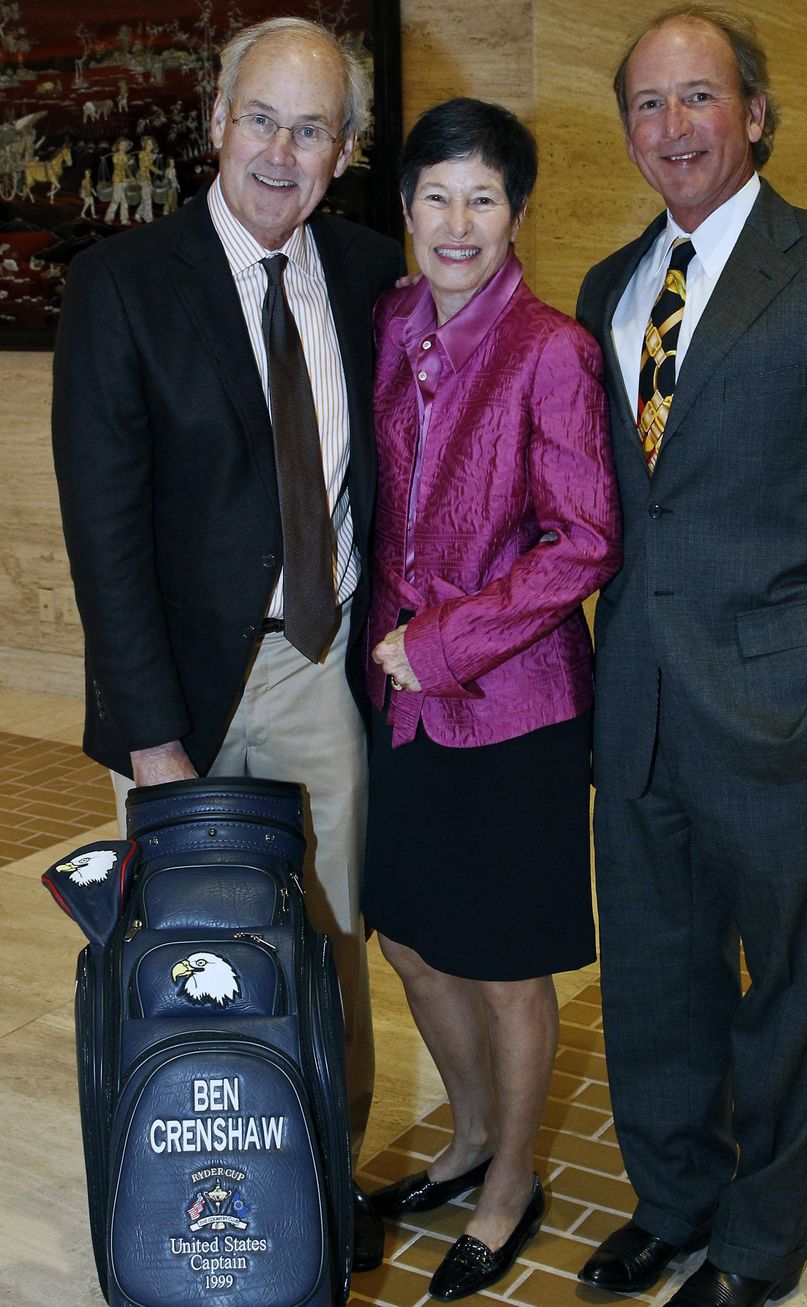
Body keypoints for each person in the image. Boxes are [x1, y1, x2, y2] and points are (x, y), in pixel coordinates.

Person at [575, 7, 807, 1306]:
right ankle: (673, 1198)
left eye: (698, 96)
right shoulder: (607, 288)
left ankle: (756, 1243)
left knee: (789, 991)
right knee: (653, 979)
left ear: (755, 110)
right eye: (647, 103)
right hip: (637, 711)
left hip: (789, 713)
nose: (672, 125)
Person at [51, 16, 405, 1272]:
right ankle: (184, 1194)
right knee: (185, 953)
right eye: (260, 119)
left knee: (329, 945)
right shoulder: (121, 285)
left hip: (318, 667)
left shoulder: (369, 274)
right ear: (214, 122)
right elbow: (104, 536)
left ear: (344, 150)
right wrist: (152, 742)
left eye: (310, 130)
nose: (279, 152)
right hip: (181, 694)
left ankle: (319, 1185)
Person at [363, 97, 621, 1301]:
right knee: (410, 937)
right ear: (405, 207)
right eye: (436, 195)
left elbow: (585, 539)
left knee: (508, 964)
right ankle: (468, 1134)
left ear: (516, 214)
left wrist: (445, 640)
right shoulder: (389, 321)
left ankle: (512, 1181)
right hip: (398, 695)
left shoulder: (550, 350)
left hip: (514, 703)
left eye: (482, 197)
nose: (456, 222)